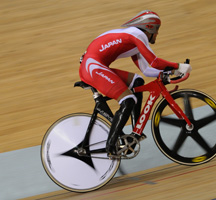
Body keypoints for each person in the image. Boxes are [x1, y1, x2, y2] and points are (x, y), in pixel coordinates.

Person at [79, 10, 192, 157]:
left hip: (95, 64)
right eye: (157, 30)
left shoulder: (132, 39)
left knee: (137, 81)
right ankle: (111, 147)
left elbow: (146, 70)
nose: (157, 34)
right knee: (128, 100)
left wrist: (168, 74)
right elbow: (155, 62)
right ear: (149, 28)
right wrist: (178, 66)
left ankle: (134, 132)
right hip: (92, 67)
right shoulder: (137, 35)